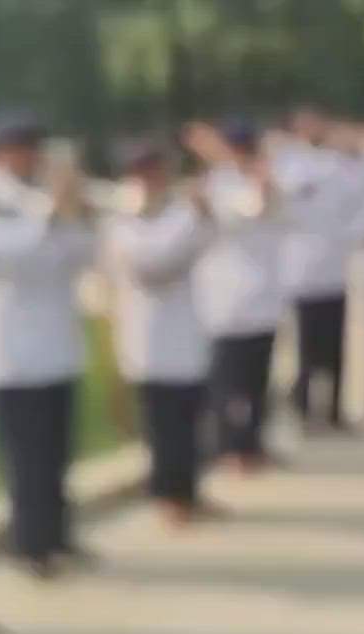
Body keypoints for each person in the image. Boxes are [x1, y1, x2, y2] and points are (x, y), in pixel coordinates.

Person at [0, 110, 96, 580]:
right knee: (25, 459)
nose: (29, 158)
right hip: (11, 351)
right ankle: (29, 546)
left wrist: (74, 214)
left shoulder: (43, 196)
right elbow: (2, 255)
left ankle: (59, 535)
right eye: (19, 149)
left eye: (33, 149)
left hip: (57, 342)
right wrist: (51, 213)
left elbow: (80, 256)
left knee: (58, 453)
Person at [103, 139, 219, 527]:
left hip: (186, 332)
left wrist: (199, 218)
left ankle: (190, 491)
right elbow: (151, 267)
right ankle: (167, 496)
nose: (152, 178)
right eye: (143, 171)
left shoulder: (181, 211)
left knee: (191, 421)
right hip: (148, 338)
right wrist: (193, 224)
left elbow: (208, 241)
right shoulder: (122, 218)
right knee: (163, 426)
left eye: (157, 169)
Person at [188, 118, 289, 474]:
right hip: (227, 300)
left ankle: (253, 444)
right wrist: (229, 164)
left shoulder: (266, 179)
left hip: (264, 299)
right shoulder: (216, 185)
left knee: (258, 381)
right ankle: (228, 448)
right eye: (241, 149)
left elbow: (276, 205)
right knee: (228, 383)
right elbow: (253, 207)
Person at [275, 106, 364, 433]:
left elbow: (357, 202)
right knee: (307, 347)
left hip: (333, 266)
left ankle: (334, 410)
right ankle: (303, 408)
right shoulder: (287, 163)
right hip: (302, 269)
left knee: (335, 346)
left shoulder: (336, 163)